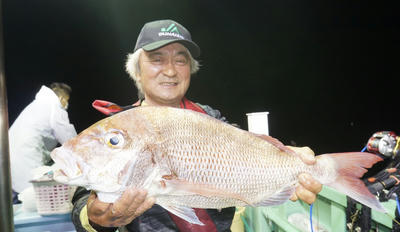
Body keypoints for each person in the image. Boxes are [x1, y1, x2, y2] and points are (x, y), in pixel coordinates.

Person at [71, 19, 322, 232]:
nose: (170, 71)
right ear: (137, 70)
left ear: (190, 70)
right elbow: (82, 200)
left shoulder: (209, 118)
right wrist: (95, 218)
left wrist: (292, 158)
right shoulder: (120, 130)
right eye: (157, 59)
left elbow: (250, 151)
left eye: (180, 61)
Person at [9, 82, 77, 204]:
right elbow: (69, 139)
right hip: (26, 156)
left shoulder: (36, 105)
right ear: (62, 98)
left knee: (15, 202)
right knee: (32, 199)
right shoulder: (55, 107)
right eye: (67, 100)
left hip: (9, 157)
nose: (66, 104)